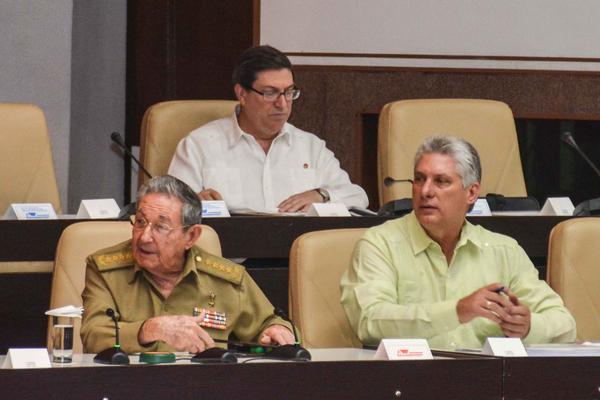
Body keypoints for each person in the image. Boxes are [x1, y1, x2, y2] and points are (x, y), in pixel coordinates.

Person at [340, 136, 576, 350]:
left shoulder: (503, 250)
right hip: (407, 383)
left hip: (487, 383)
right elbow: (370, 322)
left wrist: (527, 327)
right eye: (419, 179)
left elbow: (564, 324)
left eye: (441, 181)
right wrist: (457, 311)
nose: (426, 191)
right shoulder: (380, 244)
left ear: (471, 193)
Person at [81, 175, 294, 354]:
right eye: (140, 222)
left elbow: (270, 323)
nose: (144, 237)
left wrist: (277, 331)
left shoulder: (226, 279)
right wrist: (149, 329)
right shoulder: (105, 270)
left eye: (161, 227)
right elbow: (93, 336)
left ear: (191, 236)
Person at [168, 45, 368, 213]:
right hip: (225, 256)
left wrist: (322, 195)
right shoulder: (199, 145)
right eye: (270, 93)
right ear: (242, 94)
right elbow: (169, 209)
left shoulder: (311, 147)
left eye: (289, 92)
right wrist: (195, 204)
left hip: (299, 257)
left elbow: (358, 197)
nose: (282, 104)